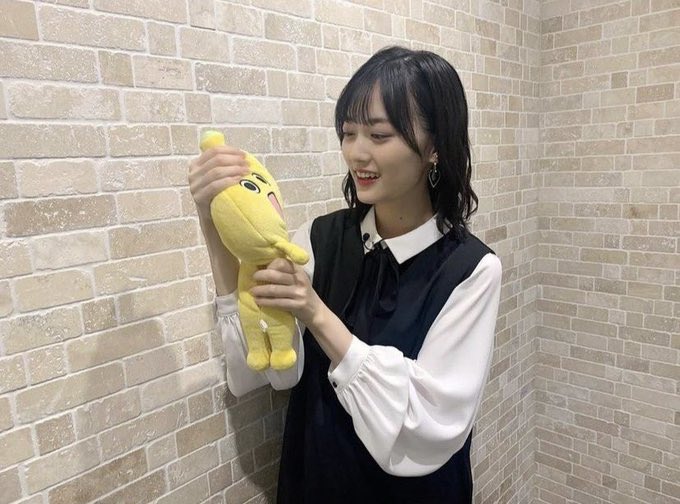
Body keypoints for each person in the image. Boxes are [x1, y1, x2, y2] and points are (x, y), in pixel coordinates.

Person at [188, 46, 502, 504]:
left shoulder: (471, 270)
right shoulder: (320, 238)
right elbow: (262, 371)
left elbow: (430, 423)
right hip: (316, 481)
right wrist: (212, 221)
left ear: (434, 147)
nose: (356, 152)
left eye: (379, 134)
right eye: (348, 132)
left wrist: (316, 313)